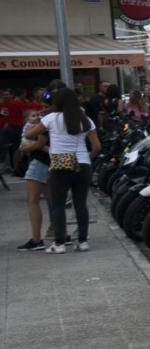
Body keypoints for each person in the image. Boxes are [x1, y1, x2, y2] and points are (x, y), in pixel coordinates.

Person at [26, 88, 100, 254]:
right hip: (83, 164)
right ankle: (82, 241)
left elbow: (31, 135)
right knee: (80, 203)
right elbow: (97, 147)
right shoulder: (85, 119)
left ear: (56, 102)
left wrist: (35, 119)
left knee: (58, 204)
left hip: (60, 164)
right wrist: (87, 156)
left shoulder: (51, 119)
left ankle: (59, 243)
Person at [16, 108, 50, 251]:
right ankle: (62, 233)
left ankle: (36, 239)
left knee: (32, 200)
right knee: (52, 200)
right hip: (50, 162)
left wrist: (26, 148)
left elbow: (40, 144)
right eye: (33, 115)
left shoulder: (41, 125)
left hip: (39, 163)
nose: (37, 117)